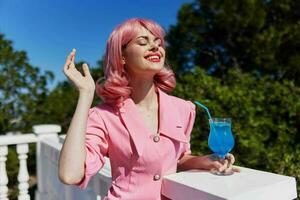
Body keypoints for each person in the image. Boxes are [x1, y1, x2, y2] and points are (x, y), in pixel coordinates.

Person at [58, 18, 240, 200]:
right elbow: (70, 175)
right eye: (143, 42)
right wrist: (85, 95)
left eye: (158, 43)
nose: (155, 47)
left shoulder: (183, 109)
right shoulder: (103, 116)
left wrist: (204, 161)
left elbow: (177, 160)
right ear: (122, 56)